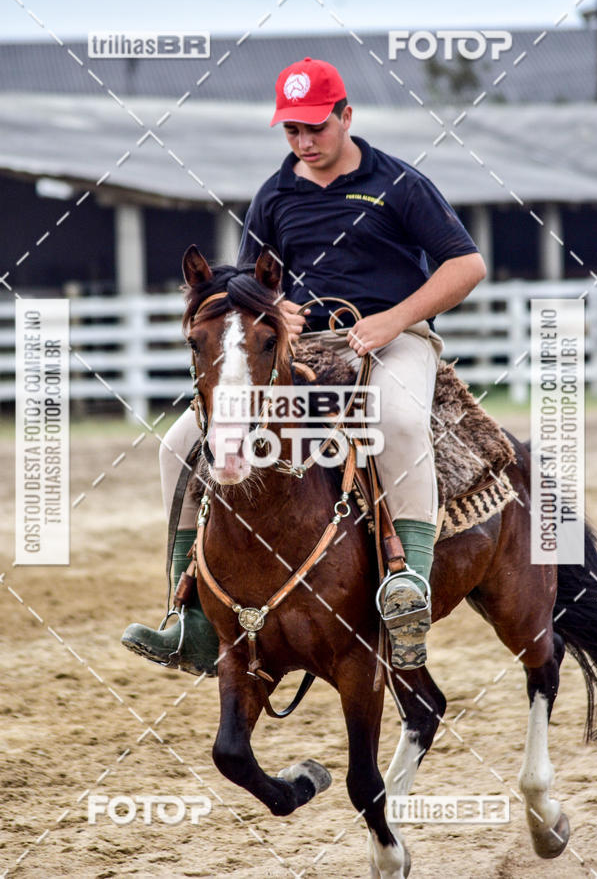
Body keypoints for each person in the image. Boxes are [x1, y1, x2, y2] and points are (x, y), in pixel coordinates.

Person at [122, 57, 486, 674]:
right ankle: (191, 615)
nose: (304, 141)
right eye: (292, 129)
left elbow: (466, 266)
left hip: (393, 340)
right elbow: (246, 291)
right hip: (299, 348)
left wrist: (395, 319)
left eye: (316, 126)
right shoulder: (274, 196)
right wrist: (277, 311)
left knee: (397, 421)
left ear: (346, 116)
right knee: (178, 446)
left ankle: (409, 591)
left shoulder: (399, 183)